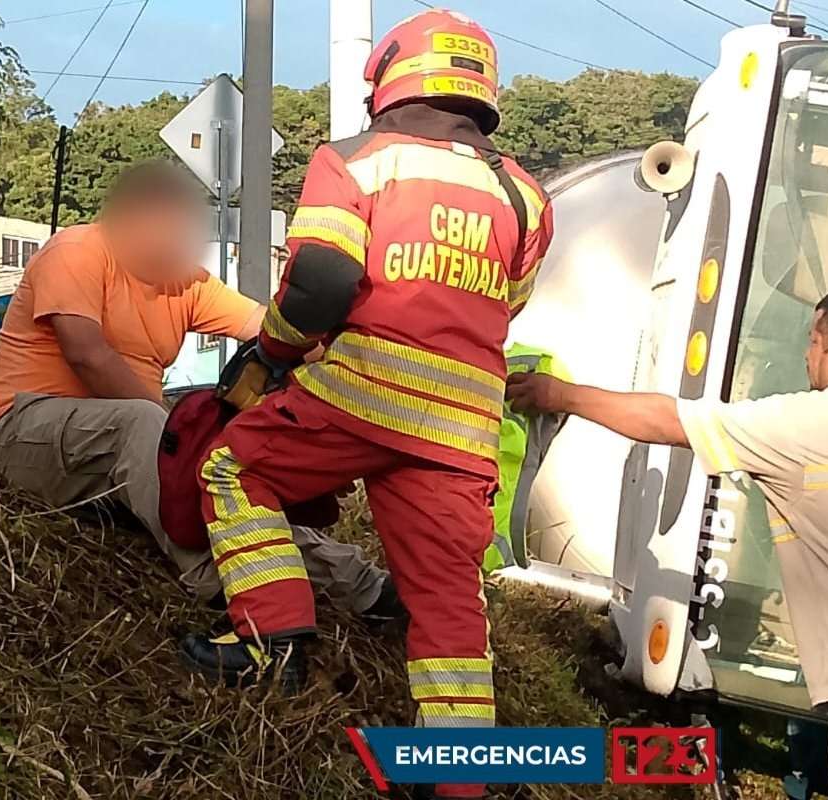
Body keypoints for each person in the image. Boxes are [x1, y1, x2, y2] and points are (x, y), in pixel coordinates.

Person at [179, 11, 553, 798]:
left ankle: (270, 638)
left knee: (232, 471)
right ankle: (455, 774)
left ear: (387, 79)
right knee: (447, 593)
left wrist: (275, 352)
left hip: (362, 391)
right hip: (462, 426)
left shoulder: (357, 160)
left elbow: (319, 281)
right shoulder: (525, 196)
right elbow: (503, 305)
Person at [0, 160, 392, 617]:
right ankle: (216, 580)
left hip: (121, 449)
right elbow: (86, 354)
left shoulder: (185, 283)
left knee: (228, 476)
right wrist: (176, 441)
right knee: (161, 433)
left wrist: (342, 371)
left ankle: (363, 587)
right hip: (21, 430)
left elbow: (269, 329)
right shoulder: (77, 251)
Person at [507, 283, 828, 800]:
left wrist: (559, 395)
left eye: (814, 340)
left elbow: (670, 421)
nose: (807, 356)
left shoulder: (813, 422)